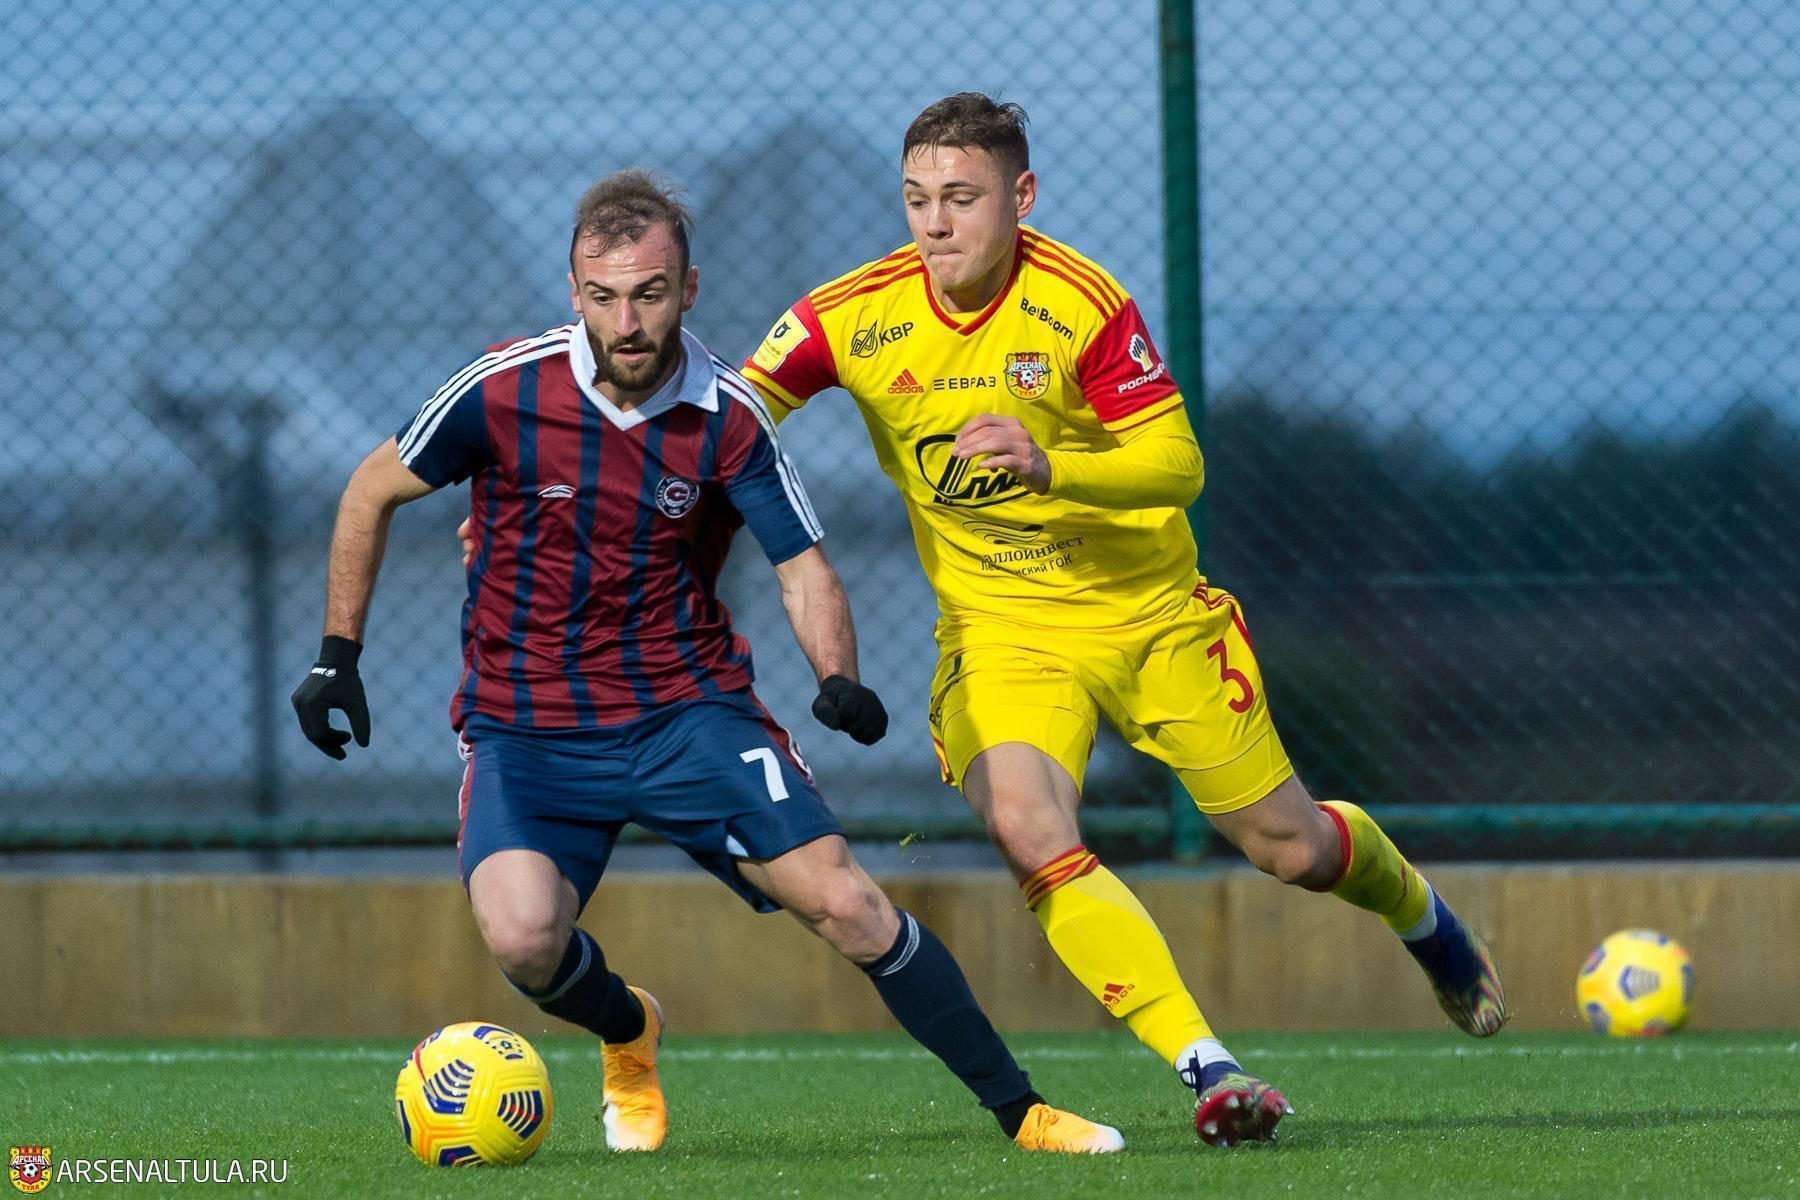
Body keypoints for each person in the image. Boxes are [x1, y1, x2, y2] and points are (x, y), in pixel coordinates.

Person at [292, 170, 1123, 1156]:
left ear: (687, 289)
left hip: (688, 713)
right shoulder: (503, 388)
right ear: (573, 293)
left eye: (649, 293)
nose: (626, 321)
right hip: (527, 725)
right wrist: (337, 657)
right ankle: (628, 1029)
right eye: (603, 296)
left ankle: (1023, 1113)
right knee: (522, 940)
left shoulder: (728, 413)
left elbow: (801, 567)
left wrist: (838, 678)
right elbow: (368, 491)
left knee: (848, 903)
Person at [734, 93, 1509, 1146]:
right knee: (1026, 826)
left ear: (1022, 196)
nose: (935, 225)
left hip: (1151, 619)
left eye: (962, 198)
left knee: (1292, 849)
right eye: (916, 199)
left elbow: (1178, 464)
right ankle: (1210, 1070)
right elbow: (727, 419)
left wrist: (1051, 463)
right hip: (1002, 633)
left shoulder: (1080, 303)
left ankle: (1423, 917)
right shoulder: (851, 316)